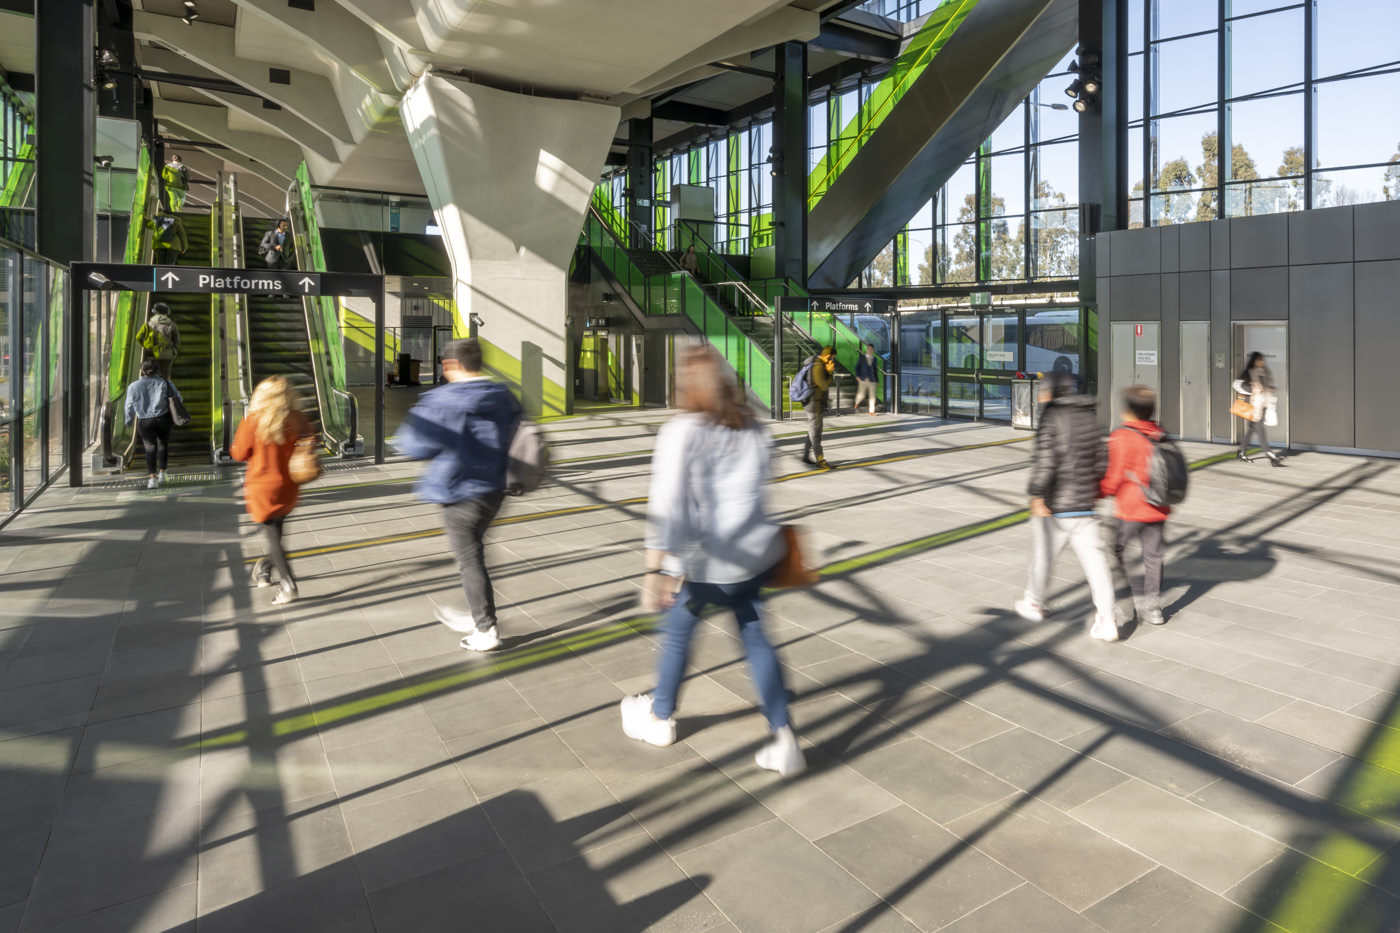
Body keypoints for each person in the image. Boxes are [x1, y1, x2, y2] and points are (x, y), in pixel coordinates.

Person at [620, 344, 805, 777]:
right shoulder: (754, 427)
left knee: (678, 632)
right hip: (754, 558)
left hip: (708, 563)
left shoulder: (681, 430)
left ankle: (660, 717)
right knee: (757, 641)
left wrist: (658, 569)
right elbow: (764, 487)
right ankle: (784, 738)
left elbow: (668, 504)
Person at [394, 337, 522, 652]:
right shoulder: (503, 395)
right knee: (474, 553)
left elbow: (412, 445)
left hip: (460, 490)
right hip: (495, 489)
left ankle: (485, 628)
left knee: (469, 558)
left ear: (449, 365)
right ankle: (479, 613)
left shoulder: (442, 400)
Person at [1014, 371, 1118, 642]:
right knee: (1097, 565)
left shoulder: (1052, 416)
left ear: (1052, 391)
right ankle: (1107, 618)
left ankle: (1034, 602)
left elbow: (1046, 462)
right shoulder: (1088, 414)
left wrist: (1037, 494)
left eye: (1042, 388)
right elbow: (1100, 460)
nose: (1039, 393)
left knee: (1043, 558)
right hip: (1086, 505)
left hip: (1056, 506)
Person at [232, 376, 312, 606]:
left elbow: (238, 453)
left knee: (274, 538)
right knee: (277, 534)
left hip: (263, 489)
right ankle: (264, 568)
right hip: (288, 487)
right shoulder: (298, 419)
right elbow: (310, 441)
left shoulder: (253, 421)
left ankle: (288, 585)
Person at [1101, 385, 1170, 626]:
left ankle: (1128, 598)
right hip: (1158, 507)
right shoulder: (1159, 433)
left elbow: (1115, 475)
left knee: (1116, 550)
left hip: (1130, 509)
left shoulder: (1123, 435)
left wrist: (1102, 491)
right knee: (1154, 556)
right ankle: (1153, 607)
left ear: (1128, 410)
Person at [124, 357, 181, 490]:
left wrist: (129, 420)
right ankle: (163, 473)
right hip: (163, 419)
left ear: (142, 371)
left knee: (150, 448)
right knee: (163, 445)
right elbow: (179, 398)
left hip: (145, 421)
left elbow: (128, 406)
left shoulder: (133, 386)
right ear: (157, 370)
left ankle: (152, 479)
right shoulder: (165, 383)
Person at [1234, 352, 1283, 466]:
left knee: (1251, 429)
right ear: (1254, 361)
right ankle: (1271, 456)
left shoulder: (1265, 372)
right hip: (1253, 406)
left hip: (1263, 405)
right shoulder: (1248, 373)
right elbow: (1238, 385)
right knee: (1260, 431)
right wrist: (1253, 389)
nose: (1261, 362)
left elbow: (1264, 387)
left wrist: (1269, 388)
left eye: (1262, 360)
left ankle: (1241, 451)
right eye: (1259, 360)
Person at [800, 346, 835, 469]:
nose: (832, 362)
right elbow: (823, 385)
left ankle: (805, 456)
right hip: (813, 404)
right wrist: (830, 372)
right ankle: (820, 460)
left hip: (815, 403)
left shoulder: (818, 363)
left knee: (813, 430)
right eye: (832, 359)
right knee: (816, 433)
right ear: (827, 356)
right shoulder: (817, 366)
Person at [136, 304, 180, 379]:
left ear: (156, 312)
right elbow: (176, 340)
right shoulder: (172, 325)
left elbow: (138, 337)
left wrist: (146, 346)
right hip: (167, 354)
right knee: (165, 375)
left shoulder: (148, 324)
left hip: (152, 353)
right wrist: (174, 351)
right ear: (166, 313)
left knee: (150, 373)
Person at [853, 343, 880, 415]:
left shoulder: (875, 359)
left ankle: (871, 411)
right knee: (862, 395)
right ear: (867, 349)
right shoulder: (862, 358)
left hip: (872, 379)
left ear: (873, 350)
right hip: (863, 379)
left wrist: (877, 380)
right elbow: (857, 367)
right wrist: (857, 376)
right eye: (869, 349)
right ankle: (857, 402)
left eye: (871, 349)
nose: (870, 350)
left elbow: (875, 370)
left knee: (873, 396)